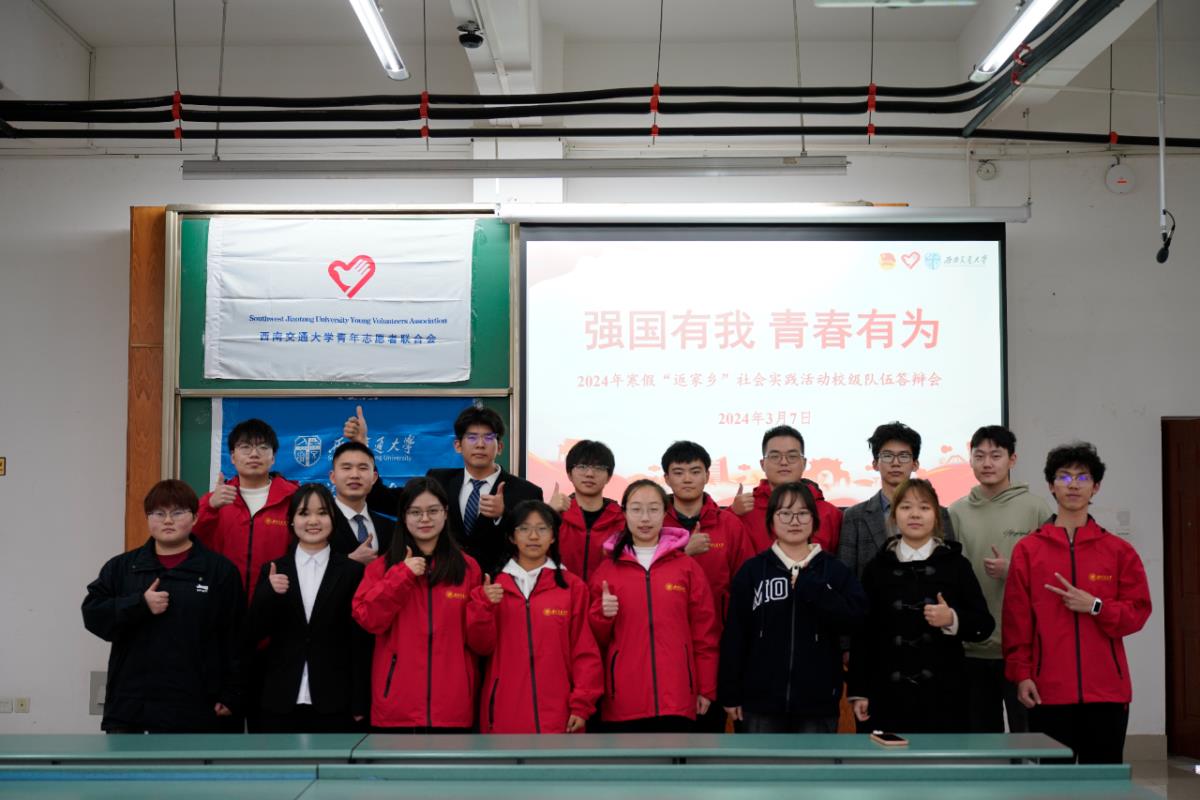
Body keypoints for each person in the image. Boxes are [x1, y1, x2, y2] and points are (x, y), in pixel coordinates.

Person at [1003, 443, 1151, 764]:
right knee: (1056, 782)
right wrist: (1022, 675)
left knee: (1104, 781)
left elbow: (1138, 613)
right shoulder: (1028, 550)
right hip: (1048, 691)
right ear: (1051, 485)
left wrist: (1096, 606)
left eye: (1083, 477)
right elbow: (1016, 622)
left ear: (1095, 487)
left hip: (1107, 692)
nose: (1073, 484)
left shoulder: (1118, 551)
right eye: (1064, 476)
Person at [82, 480, 243, 733]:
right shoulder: (122, 567)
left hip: (198, 706)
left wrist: (233, 693)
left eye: (177, 513)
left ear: (195, 517)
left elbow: (237, 637)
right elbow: (93, 615)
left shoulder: (220, 571)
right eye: (158, 513)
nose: (168, 520)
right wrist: (139, 604)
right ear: (148, 518)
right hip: (132, 707)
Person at [719, 482, 867, 733]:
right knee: (761, 760)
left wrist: (815, 589)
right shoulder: (752, 571)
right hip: (759, 702)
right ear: (771, 521)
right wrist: (730, 691)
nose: (794, 521)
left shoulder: (834, 570)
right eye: (785, 513)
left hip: (817, 702)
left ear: (814, 520)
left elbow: (856, 619)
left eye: (802, 513)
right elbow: (735, 635)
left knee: (814, 760)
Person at [848, 478, 993, 733]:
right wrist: (859, 690)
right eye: (906, 507)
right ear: (894, 515)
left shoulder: (956, 565)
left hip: (944, 695)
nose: (915, 514)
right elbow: (862, 634)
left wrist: (952, 619)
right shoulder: (877, 568)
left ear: (936, 516)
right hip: (886, 693)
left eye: (924, 507)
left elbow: (984, 624)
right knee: (888, 757)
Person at [352, 477, 483, 732]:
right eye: (415, 512)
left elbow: (480, 642)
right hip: (397, 708)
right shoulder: (382, 567)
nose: (425, 519)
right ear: (403, 516)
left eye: (433, 511)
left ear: (445, 513)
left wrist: (485, 605)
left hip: (453, 709)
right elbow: (368, 619)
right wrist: (401, 576)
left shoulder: (468, 568)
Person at [347, 404, 543, 573]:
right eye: (472, 438)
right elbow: (382, 499)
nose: (480, 445)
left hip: (498, 589)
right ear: (458, 445)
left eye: (488, 438)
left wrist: (504, 515)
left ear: (499, 447)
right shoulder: (438, 480)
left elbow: (535, 543)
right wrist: (361, 446)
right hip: (443, 583)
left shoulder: (527, 492)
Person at [588, 479, 719, 733]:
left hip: (677, 697)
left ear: (664, 513)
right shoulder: (607, 570)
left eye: (653, 509)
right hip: (623, 698)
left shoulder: (686, 567)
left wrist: (706, 687)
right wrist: (602, 615)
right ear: (624, 514)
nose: (645, 518)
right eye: (636, 509)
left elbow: (705, 633)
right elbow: (592, 640)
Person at [949, 425, 1053, 733]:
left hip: (1022, 649)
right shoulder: (956, 512)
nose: (987, 463)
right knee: (981, 739)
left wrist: (1015, 571)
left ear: (1012, 459)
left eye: (996, 455)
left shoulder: (1036, 508)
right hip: (972, 647)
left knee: (1028, 737)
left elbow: (1054, 573)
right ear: (970, 460)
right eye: (979, 456)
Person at [466, 500, 604, 733]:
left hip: (559, 714)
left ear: (553, 536)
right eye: (524, 528)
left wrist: (582, 704)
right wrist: (483, 606)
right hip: (503, 713)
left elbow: (585, 652)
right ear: (512, 537)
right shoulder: (492, 586)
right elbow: (480, 646)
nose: (533, 536)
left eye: (542, 528)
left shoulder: (572, 587)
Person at [248, 484, 371, 732]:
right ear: (292, 520)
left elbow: (360, 642)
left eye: (322, 513)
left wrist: (360, 699)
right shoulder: (273, 569)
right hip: (279, 699)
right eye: (304, 513)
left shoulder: (353, 572)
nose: (313, 521)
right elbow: (252, 633)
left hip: (336, 700)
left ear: (333, 519)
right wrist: (267, 594)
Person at [194, 418, 299, 602]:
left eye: (263, 447)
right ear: (233, 457)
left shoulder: (293, 499)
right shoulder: (213, 502)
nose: (254, 454)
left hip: (277, 602)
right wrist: (210, 508)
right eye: (245, 447)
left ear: (273, 458)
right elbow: (189, 542)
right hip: (223, 602)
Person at [838, 421, 956, 581]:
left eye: (904, 456)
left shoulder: (939, 513)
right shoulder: (854, 516)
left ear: (915, 464)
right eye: (887, 456)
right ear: (875, 464)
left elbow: (951, 569)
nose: (895, 463)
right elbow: (845, 577)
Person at [729, 425, 841, 554]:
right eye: (775, 456)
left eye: (792, 456)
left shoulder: (830, 514)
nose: (783, 462)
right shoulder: (743, 511)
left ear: (804, 463)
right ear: (762, 464)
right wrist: (732, 513)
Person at [547, 439, 626, 584]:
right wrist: (547, 514)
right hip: (563, 595)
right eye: (582, 466)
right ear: (569, 474)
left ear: (609, 476)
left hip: (607, 596)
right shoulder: (554, 516)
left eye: (599, 468)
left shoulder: (622, 520)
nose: (590, 473)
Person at [327, 441, 395, 564]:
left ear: (374, 478)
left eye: (363, 468)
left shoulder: (390, 527)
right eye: (347, 468)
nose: (355, 475)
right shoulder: (319, 523)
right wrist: (350, 560)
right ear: (333, 477)